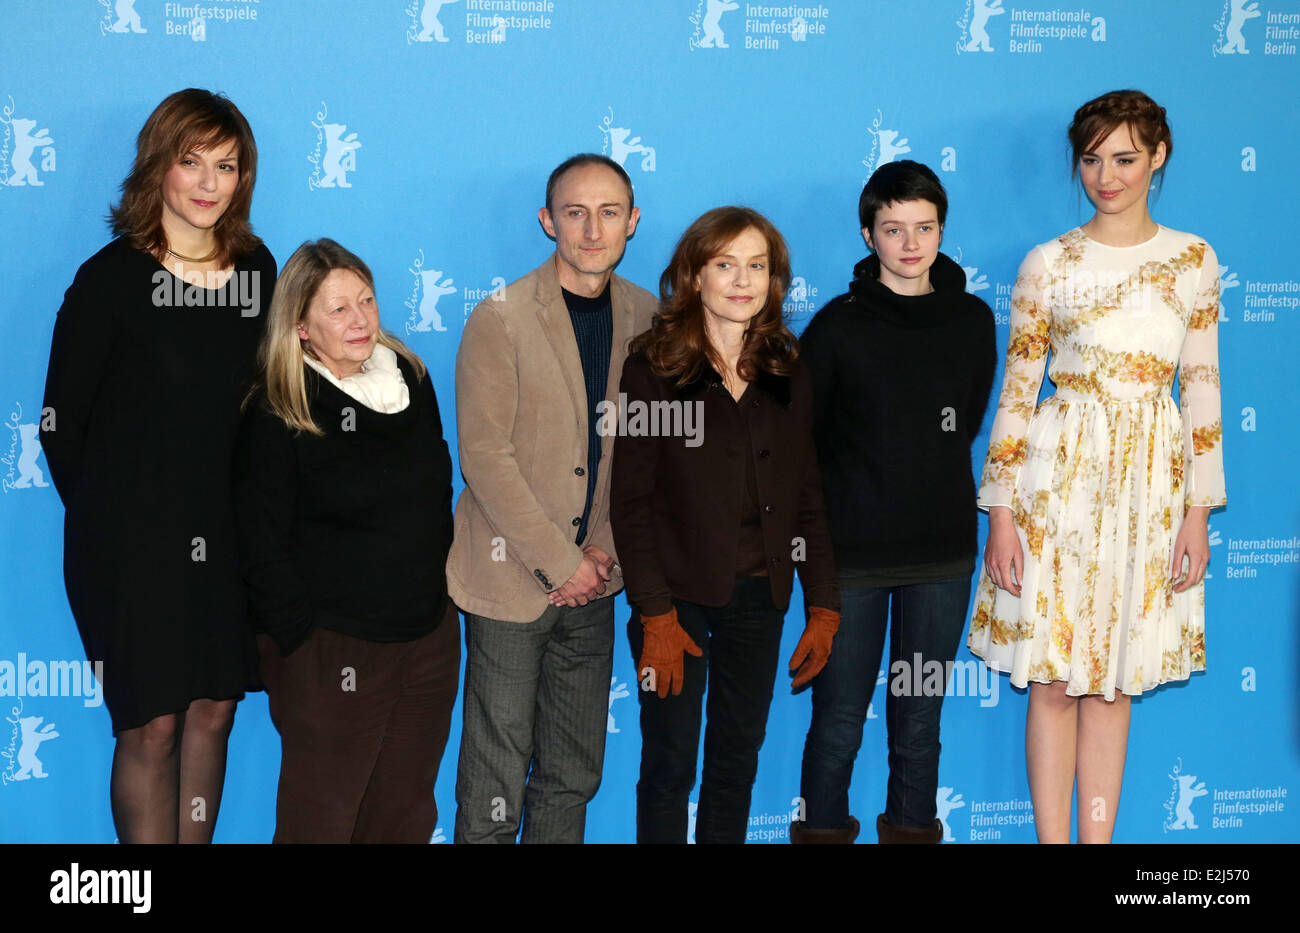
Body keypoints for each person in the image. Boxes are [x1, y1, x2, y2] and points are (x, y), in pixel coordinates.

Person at [968, 89, 1224, 843]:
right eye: (1091, 159)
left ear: (1158, 157)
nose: (1106, 176)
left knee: (1114, 681)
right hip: (1058, 478)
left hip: (1150, 483)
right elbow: (1016, 393)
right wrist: (1003, 514)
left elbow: (1204, 389)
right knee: (1050, 676)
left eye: (1124, 158)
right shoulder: (1049, 262)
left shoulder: (1194, 259)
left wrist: (1198, 513)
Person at [39, 88, 275, 843]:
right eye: (191, 161)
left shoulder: (257, 271)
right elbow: (60, 426)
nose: (209, 182)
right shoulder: (109, 279)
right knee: (153, 726)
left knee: (214, 710)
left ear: (244, 178)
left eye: (227, 165)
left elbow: (266, 410)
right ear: (159, 168)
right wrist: (120, 520)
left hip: (228, 537)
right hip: (131, 545)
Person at [610, 206, 841, 844]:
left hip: (758, 601)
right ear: (694, 276)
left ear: (775, 281)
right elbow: (629, 503)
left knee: (735, 763)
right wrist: (654, 615)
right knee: (669, 765)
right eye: (725, 265)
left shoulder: (788, 371)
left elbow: (808, 498)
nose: (742, 281)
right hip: (674, 605)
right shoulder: (652, 369)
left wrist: (823, 603)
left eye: (757, 267)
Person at [447, 153, 658, 843]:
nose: (591, 229)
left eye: (608, 212)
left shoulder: (650, 318)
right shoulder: (501, 317)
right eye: (574, 212)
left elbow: (648, 457)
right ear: (547, 221)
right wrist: (559, 560)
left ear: (632, 221)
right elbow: (485, 456)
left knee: (573, 774)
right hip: (510, 580)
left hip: (597, 581)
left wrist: (603, 555)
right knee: (494, 777)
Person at [793, 162, 996, 844]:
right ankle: (822, 830)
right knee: (840, 716)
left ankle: (911, 830)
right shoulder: (836, 328)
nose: (911, 243)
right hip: (851, 559)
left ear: (941, 229)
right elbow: (806, 444)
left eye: (925, 227)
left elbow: (963, 422)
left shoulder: (972, 320)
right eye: (893, 229)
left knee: (919, 716)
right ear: (868, 234)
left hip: (940, 555)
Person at [233, 239, 458, 843]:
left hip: (429, 641)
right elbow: (261, 544)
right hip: (332, 651)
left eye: (366, 299)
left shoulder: (411, 377)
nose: (359, 319)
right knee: (322, 824)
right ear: (300, 326)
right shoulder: (279, 408)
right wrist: (301, 647)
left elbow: (436, 496)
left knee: (405, 816)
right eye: (337, 309)